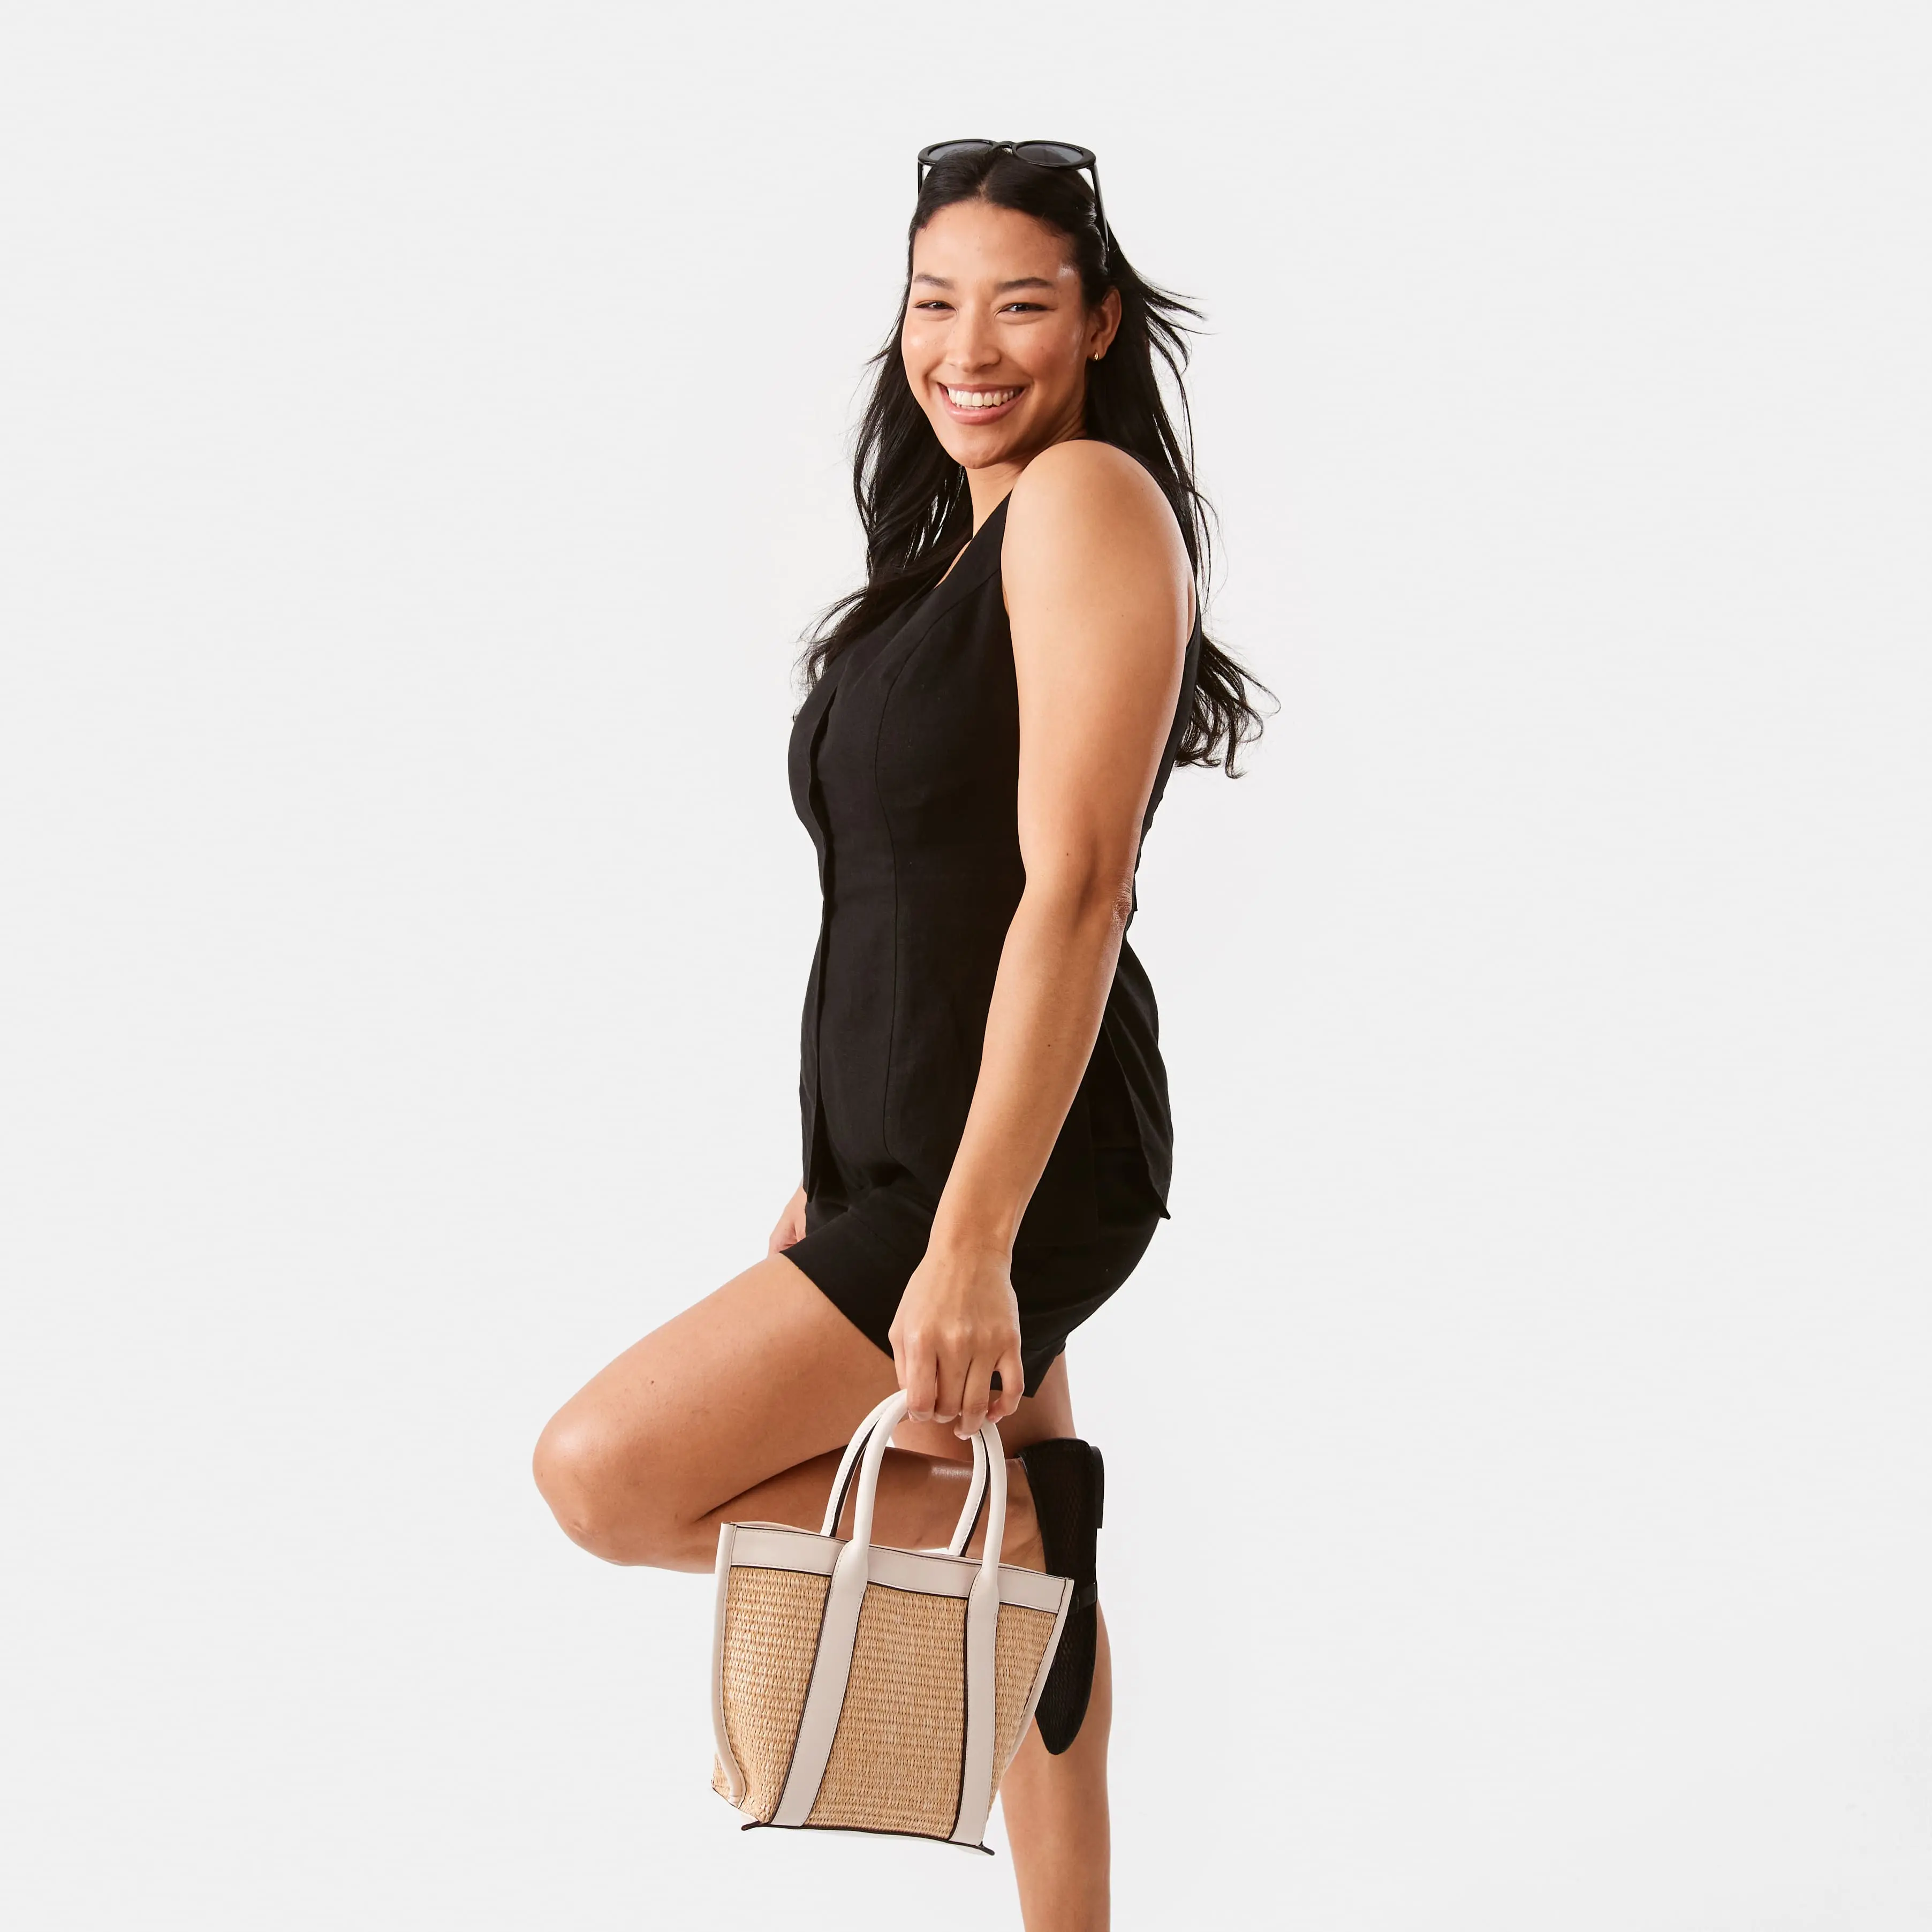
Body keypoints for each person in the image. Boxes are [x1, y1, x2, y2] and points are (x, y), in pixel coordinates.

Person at [533, 139, 1266, 1927]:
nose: (970, 346)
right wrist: (826, 1172)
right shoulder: (954, 558)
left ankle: (1030, 1538)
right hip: (907, 1157)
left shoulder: (1089, 501)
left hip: (1015, 1156)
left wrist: (967, 1241)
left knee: (606, 1476)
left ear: (1096, 321)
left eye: (1020, 302)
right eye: (935, 303)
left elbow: (1076, 890)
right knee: (1016, 1523)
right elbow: (887, 908)